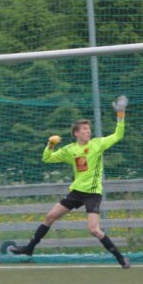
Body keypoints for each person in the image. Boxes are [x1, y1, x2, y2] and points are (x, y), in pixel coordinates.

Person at [8, 96, 131, 268]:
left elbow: (119, 134)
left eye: (89, 129)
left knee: (94, 229)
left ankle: (121, 258)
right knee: (50, 217)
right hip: (76, 192)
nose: (88, 132)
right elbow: (47, 159)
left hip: (92, 193)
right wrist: (50, 144)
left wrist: (120, 114)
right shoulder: (70, 150)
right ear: (77, 133)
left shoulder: (98, 144)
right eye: (85, 130)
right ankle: (29, 249)